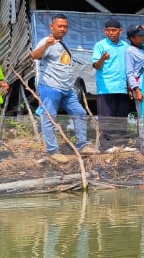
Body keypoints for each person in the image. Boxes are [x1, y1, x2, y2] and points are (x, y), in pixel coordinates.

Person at [32, 14, 96, 163]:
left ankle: (83, 145)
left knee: (79, 112)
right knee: (50, 118)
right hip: (50, 87)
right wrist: (47, 45)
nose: (63, 29)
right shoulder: (46, 41)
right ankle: (52, 151)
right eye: (59, 26)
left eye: (65, 26)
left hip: (66, 89)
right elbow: (34, 55)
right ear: (51, 27)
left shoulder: (62, 44)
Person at [92, 18, 132, 150]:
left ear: (120, 31)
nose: (111, 33)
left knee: (121, 117)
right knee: (106, 118)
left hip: (122, 88)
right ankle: (106, 146)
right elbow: (96, 66)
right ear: (104, 31)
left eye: (114, 30)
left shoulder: (125, 46)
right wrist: (103, 58)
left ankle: (120, 144)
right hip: (106, 88)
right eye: (108, 30)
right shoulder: (100, 45)